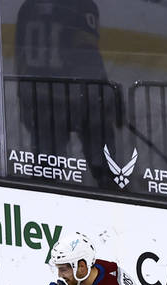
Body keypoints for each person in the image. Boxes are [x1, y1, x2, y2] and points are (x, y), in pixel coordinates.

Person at [13, 0, 118, 187]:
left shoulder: (27, 7)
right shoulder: (81, 5)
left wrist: (25, 94)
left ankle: (41, 204)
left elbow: (19, 57)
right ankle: (108, 188)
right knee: (101, 159)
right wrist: (104, 90)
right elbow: (88, 57)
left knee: (46, 166)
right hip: (71, 95)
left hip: (39, 96)